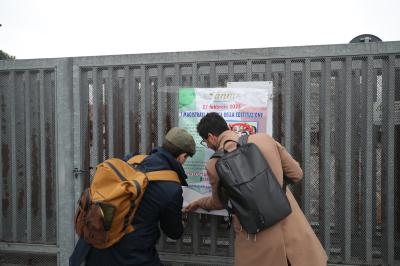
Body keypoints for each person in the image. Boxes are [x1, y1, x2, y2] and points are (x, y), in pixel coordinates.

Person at [183, 112, 327, 266]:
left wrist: (199, 203)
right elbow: (297, 174)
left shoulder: (214, 164)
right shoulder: (264, 139)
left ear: (211, 137)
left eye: (205, 142)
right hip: (291, 229)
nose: (209, 146)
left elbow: (218, 203)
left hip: (256, 237)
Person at [70, 127, 196, 266]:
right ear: (182, 156)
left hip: (92, 246)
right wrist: (182, 216)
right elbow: (174, 232)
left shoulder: (131, 160)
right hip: (130, 257)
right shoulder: (171, 188)